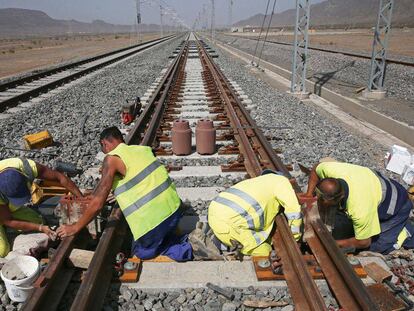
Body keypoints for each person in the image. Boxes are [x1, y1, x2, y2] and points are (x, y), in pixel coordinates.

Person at [56, 126, 192, 261]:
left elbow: (98, 204)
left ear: (104, 143)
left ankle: (189, 249)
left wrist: (75, 227)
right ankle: (172, 238)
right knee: (159, 236)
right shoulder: (141, 149)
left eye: (102, 148)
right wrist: (93, 195)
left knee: (141, 252)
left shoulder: (111, 159)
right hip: (175, 210)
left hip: (155, 222)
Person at [302, 161, 414, 254]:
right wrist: (308, 194)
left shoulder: (359, 209)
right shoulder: (330, 169)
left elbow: (364, 242)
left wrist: (333, 243)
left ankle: (406, 232)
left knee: (378, 246)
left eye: (323, 202)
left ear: (338, 199)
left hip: (397, 205)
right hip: (376, 185)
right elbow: (316, 168)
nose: (319, 203)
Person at [0, 157, 83, 258]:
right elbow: (8, 221)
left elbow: (59, 177)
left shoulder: (26, 167)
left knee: (39, 221)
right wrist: (40, 228)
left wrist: (81, 198)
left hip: (7, 205)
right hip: (3, 207)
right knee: (3, 251)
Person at [207, 170, 302, 257]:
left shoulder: (259, 181)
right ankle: (223, 246)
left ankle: (221, 241)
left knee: (227, 231)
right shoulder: (282, 182)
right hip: (230, 224)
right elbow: (293, 211)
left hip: (214, 210)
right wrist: (295, 238)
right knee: (266, 252)